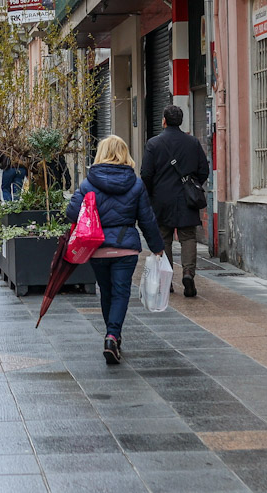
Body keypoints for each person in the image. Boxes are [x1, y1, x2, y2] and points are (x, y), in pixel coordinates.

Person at [67, 135, 165, 365]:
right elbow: (147, 219)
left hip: (98, 247)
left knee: (106, 291)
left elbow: (71, 213)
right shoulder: (136, 183)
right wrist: (157, 248)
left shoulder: (88, 183)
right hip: (126, 248)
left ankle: (113, 335)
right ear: (124, 153)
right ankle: (112, 335)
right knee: (121, 293)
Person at [140, 104, 210, 297]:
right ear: (181, 121)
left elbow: (146, 174)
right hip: (187, 199)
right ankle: (188, 273)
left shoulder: (153, 144)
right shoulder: (193, 142)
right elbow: (204, 169)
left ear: (164, 120)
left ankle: (167, 279)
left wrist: (152, 193)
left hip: (162, 200)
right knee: (188, 237)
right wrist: (192, 186)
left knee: (164, 238)